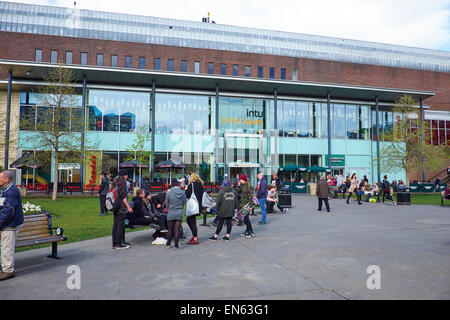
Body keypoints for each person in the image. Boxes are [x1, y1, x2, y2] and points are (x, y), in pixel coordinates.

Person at [0, 171, 24, 281]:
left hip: (10, 225)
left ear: (6, 180)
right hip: (9, 224)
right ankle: (6, 268)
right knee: (5, 247)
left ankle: (8, 271)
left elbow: (8, 211)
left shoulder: (11, 192)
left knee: (6, 248)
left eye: (0, 177)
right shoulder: (6, 189)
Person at [112, 169, 133, 250]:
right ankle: (118, 244)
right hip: (121, 207)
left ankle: (114, 243)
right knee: (120, 225)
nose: (127, 176)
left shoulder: (114, 182)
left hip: (115, 205)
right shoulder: (123, 183)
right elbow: (123, 197)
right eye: (126, 175)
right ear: (124, 175)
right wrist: (129, 207)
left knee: (115, 225)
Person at [165, 179, 187, 249]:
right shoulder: (182, 193)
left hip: (171, 211)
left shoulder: (169, 193)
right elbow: (184, 202)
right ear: (178, 185)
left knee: (170, 229)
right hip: (179, 211)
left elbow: (167, 204)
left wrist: (169, 208)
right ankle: (176, 245)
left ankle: (168, 244)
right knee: (177, 229)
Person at [185, 172, 204, 245]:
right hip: (198, 205)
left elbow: (187, 194)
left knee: (190, 220)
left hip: (193, 206)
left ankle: (195, 238)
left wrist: (186, 189)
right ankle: (194, 236)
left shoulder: (191, 185)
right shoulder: (201, 185)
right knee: (193, 221)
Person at [237, 174, 255, 238]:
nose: (240, 181)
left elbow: (250, 197)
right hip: (243, 204)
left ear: (243, 179)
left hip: (247, 205)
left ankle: (251, 232)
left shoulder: (248, 186)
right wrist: (239, 186)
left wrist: (250, 206)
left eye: (241, 180)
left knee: (246, 219)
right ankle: (247, 231)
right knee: (245, 219)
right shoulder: (243, 185)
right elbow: (238, 192)